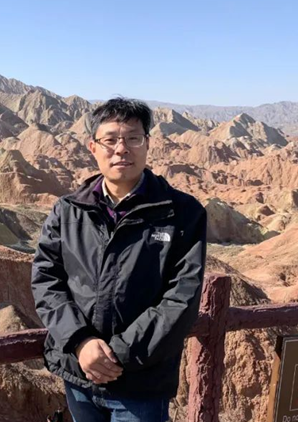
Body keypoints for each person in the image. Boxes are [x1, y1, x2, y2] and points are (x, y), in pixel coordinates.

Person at [31, 97, 207, 422]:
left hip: (141, 384)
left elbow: (182, 297)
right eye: (110, 140)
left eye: (133, 138)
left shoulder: (183, 213)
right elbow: (46, 281)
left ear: (148, 143)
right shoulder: (68, 211)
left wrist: (117, 356)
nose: (121, 149)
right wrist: (81, 342)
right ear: (93, 147)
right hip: (79, 376)